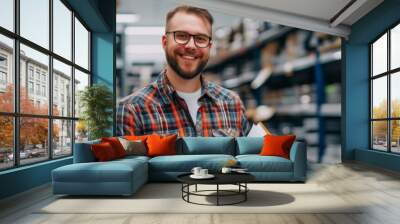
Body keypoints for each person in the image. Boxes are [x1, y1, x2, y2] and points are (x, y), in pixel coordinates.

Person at [117, 5, 252, 137]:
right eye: (181, 36)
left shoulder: (232, 103)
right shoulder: (132, 109)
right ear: (165, 42)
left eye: (200, 38)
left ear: (209, 47)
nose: (191, 46)